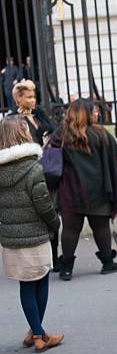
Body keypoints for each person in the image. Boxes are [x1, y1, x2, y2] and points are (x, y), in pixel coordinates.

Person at [0, 116, 63, 352]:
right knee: (41, 281)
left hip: (11, 238)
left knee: (25, 286)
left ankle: (34, 331)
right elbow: (44, 204)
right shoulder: (33, 169)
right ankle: (38, 335)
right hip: (36, 235)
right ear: (22, 134)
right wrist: (55, 223)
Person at [51, 99, 117, 280]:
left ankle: (66, 269)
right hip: (99, 191)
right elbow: (114, 161)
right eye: (94, 111)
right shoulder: (101, 134)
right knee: (101, 228)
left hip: (71, 191)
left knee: (69, 230)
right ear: (86, 113)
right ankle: (108, 263)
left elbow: (51, 161)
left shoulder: (61, 134)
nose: (97, 114)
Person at [11, 79, 59, 269]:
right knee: (35, 215)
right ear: (19, 98)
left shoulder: (39, 114)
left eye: (34, 96)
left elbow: (54, 130)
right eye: (28, 97)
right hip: (28, 170)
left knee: (52, 212)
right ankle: (33, 260)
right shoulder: (14, 120)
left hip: (46, 168)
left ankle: (54, 257)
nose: (33, 100)